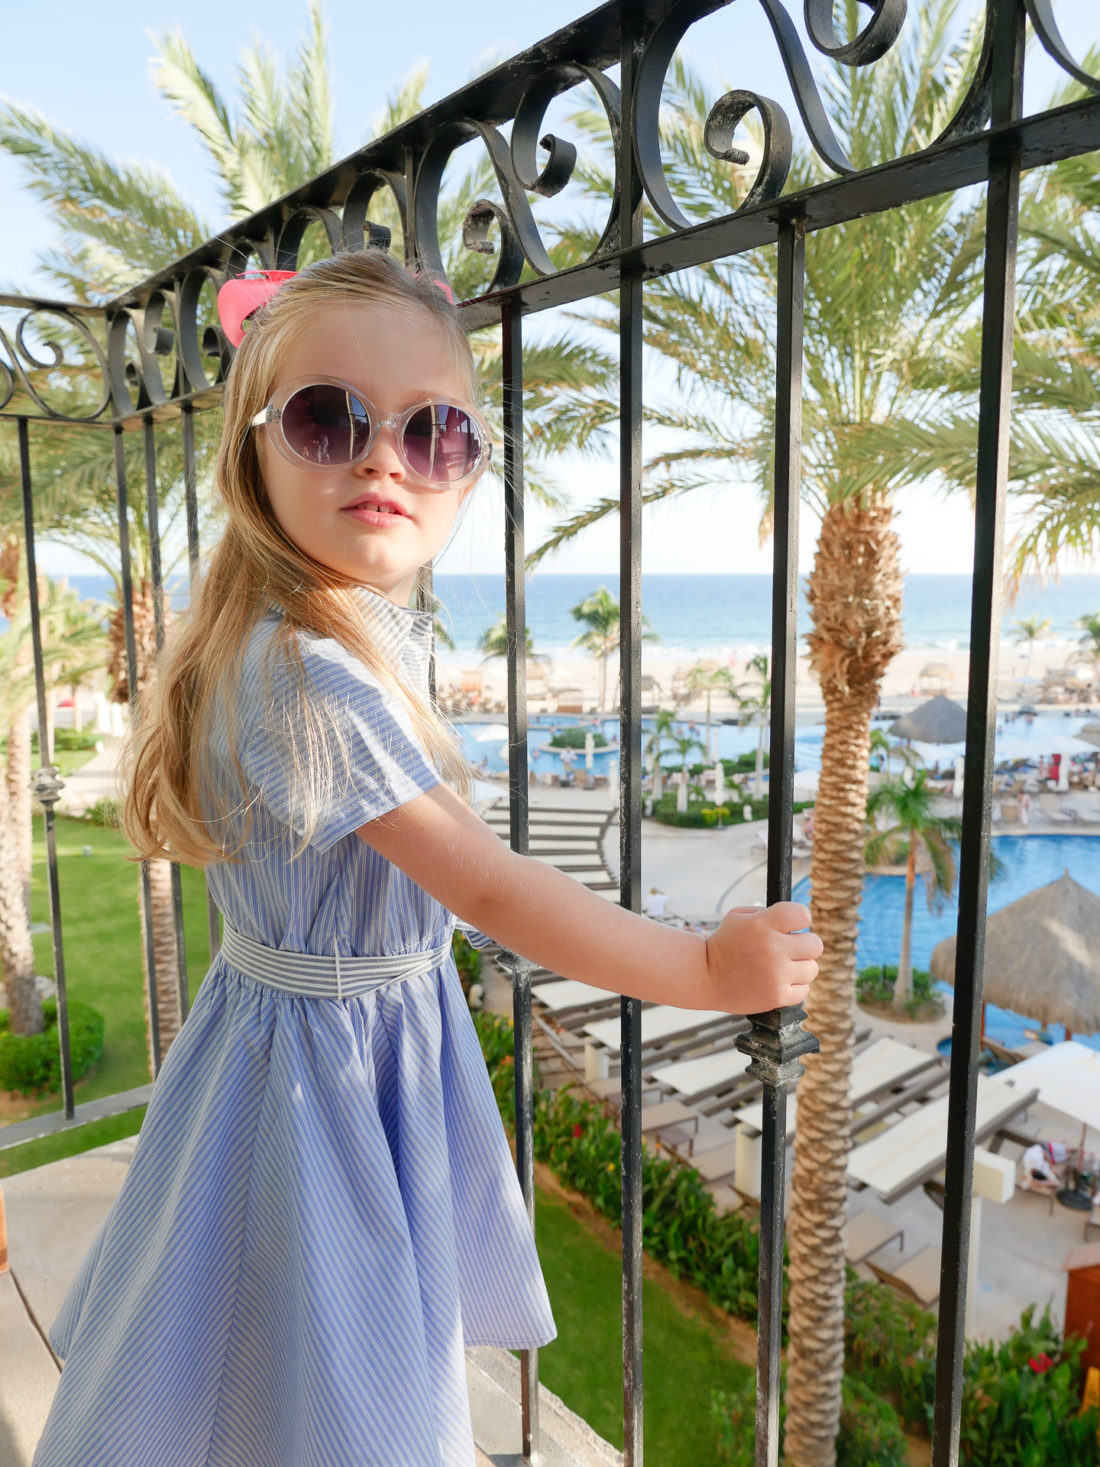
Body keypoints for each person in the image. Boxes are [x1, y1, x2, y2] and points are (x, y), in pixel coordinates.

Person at [30, 251, 821, 1467]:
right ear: (254, 450)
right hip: (329, 1079)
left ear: (467, 474)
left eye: (435, 432)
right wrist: (705, 968)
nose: (382, 455)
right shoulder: (313, 676)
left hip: (290, 1045)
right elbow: (492, 887)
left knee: (257, 1345)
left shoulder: (306, 637)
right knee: (351, 1379)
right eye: (326, 417)